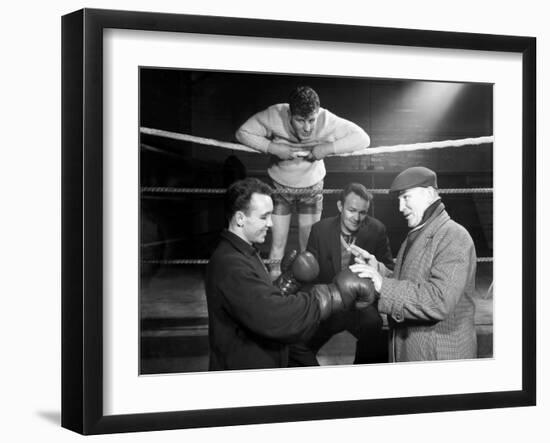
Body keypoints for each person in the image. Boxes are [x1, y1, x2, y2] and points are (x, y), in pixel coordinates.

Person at [205, 177, 376, 370]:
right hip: (246, 372)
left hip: (261, 356)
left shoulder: (244, 253)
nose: (270, 224)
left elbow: (257, 303)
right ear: (240, 219)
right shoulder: (231, 265)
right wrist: (333, 294)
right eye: (264, 217)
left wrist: (288, 280)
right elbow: (275, 316)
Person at [235, 86, 370, 280]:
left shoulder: (326, 119)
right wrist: (272, 147)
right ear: (290, 114)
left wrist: (327, 148)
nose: (307, 128)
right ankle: (274, 294)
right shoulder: (275, 114)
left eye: (311, 120)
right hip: (280, 186)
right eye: (300, 120)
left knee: (309, 247)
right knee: (278, 244)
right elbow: (242, 133)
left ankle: (307, 296)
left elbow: (363, 139)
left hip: (312, 187)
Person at [349, 166, 478, 362]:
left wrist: (383, 285)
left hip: (440, 359)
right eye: (399, 200)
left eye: (406, 197)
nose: (400, 207)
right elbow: (410, 281)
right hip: (414, 352)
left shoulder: (454, 236)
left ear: (427, 193)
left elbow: (439, 300)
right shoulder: (418, 234)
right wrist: (378, 270)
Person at [290, 183, 394, 365]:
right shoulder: (320, 230)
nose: (357, 217)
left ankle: (361, 385)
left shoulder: (377, 230)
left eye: (363, 212)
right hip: (329, 303)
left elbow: (388, 268)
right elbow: (310, 274)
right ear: (340, 206)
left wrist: (374, 267)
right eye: (352, 210)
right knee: (296, 340)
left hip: (359, 306)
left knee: (374, 329)